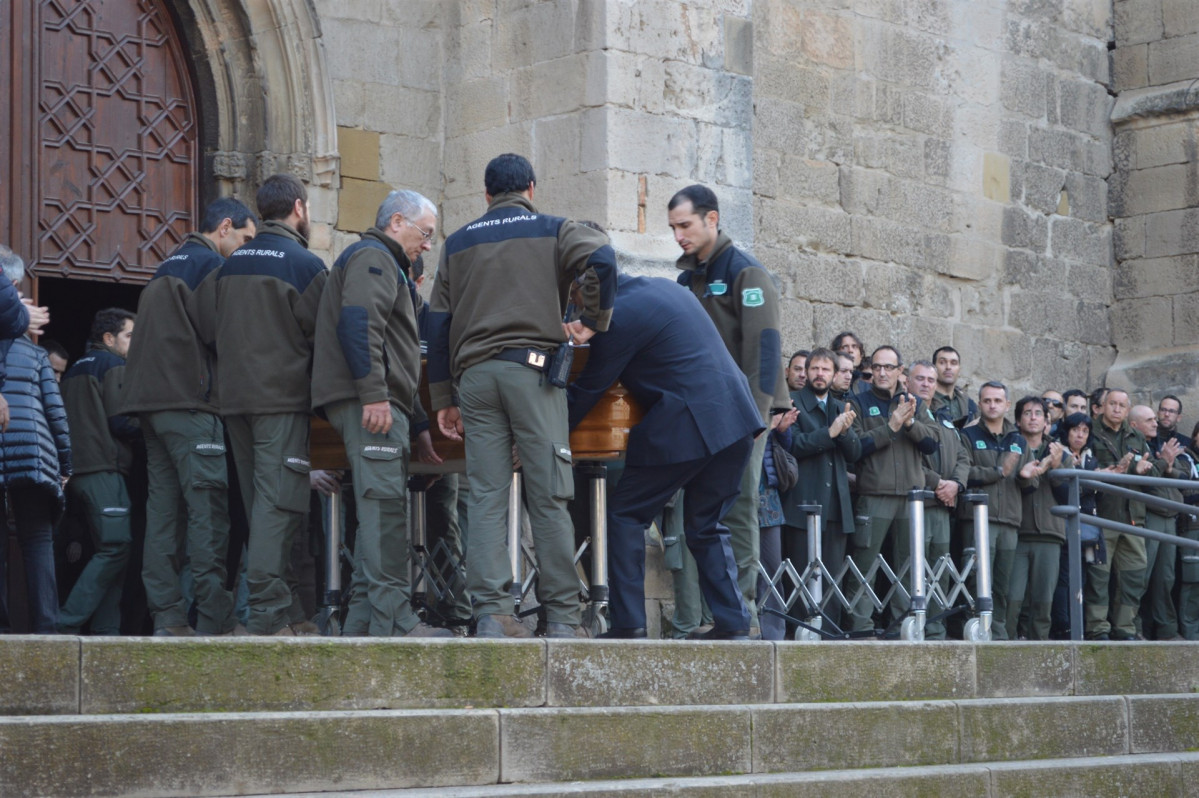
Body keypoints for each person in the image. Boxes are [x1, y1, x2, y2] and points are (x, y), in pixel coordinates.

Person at [427, 153, 617, 639]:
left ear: (486, 195)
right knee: (548, 493)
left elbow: (440, 323)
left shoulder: (457, 242)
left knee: (487, 494)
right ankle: (562, 617)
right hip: (531, 374)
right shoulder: (554, 229)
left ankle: (492, 613)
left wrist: (443, 395)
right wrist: (594, 320)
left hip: (474, 379)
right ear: (531, 188)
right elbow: (602, 258)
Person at [567, 272, 763, 639]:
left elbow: (589, 388)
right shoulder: (663, 286)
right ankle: (735, 621)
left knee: (625, 515)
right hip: (736, 417)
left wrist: (544, 435)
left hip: (689, 422)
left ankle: (628, 623)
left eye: (574, 293)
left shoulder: (617, 318)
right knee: (706, 525)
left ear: (586, 286)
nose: (574, 304)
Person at [310, 189, 450, 639]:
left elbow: (397, 352)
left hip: (384, 402)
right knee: (385, 510)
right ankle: (397, 622)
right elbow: (359, 324)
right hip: (369, 402)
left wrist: (421, 425)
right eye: (425, 233)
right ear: (396, 222)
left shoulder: (386, 262)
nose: (428, 245)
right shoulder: (374, 257)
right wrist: (374, 395)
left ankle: (363, 624)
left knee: (378, 507)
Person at [121, 197, 257, 637]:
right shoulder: (209, 267)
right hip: (191, 404)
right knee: (208, 511)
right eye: (245, 239)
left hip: (150, 407)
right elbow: (224, 336)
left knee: (163, 514)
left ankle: (168, 618)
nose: (245, 248)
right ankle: (217, 618)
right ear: (223, 228)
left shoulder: (167, 266)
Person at [668, 184, 790, 633]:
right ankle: (706, 614)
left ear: (712, 219)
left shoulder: (745, 273)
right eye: (673, 228)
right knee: (697, 513)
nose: (678, 235)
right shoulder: (687, 280)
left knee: (737, 508)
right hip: (697, 415)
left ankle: (745, 616)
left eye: (685, 225)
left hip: (742, 415)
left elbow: (764, 351)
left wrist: (757, 417)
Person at [214, 174, 328, 636]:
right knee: (277, 507)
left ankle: (287, 610)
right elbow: (324, 337)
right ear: (298, 208)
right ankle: (265, 615)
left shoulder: (229, 264)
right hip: (280, 400)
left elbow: (209, 327)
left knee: (259, 503)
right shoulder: (305, 264)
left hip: (234, 400)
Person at [0, 252, 70, 634]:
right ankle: (47, 626)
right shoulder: (34, 353)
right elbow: (55, 412)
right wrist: (65, 465)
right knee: (38, 537)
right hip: (33, 453)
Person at [845, 345, 937, 633]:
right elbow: (855, 448)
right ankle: (861, 625)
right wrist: (891, 426)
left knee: (908, 566)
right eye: (877, 367)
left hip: (910, 498)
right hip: (874, 495)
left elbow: (932, 444)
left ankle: (902, 627)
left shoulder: (916, 404)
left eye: (889, 367)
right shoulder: (858, 402)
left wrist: (909, 423)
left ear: (901, 372)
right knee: (864, 564)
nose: (882, 372)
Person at [58, 308, 138, 634]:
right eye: (130, 336)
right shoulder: (114, 365)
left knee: (111, 554)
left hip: (75, 472)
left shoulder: (75, 367)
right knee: (115, 547)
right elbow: (123, 421)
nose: (137, 343)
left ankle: (107, 635)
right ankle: (63, 625)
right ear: (109, 338)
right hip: (103, 469)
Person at [781, 347, 861, 633]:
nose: (819, 374)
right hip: (802, 504)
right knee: (801, 574)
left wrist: (845, 429)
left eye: (826, 370)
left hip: (836, 506)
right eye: (814, 368)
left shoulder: (842, 407)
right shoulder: (793, 403)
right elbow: (793, 446)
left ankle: (829, 634)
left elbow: (854, 453)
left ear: (835, 374)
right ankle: (800, 633)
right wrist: (829, 433)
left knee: (831, 576)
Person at [959, 381, 1029, 640]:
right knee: (975, 579)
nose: (992, 405)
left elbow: (1028, 479)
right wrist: (998, 472)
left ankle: (997, 634)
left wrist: (1029, 475)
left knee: (1002, 583)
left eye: (998, 401)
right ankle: (973, 629)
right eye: (987, 400)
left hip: (1009, 520)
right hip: (977, 519)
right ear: (979, 404)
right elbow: (963, 472)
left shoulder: (1018, 440)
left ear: (1007, 405)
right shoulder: (968, 435)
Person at [1085, 389, 1153, 640]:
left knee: (1134, 577)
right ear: (1101, 406)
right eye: (1111, 403)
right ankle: (1097, 628)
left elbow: (1154, 474)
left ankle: (1125, 628)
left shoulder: (1137, 436)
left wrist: (1143, 469)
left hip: (1133, 517)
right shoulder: (1090, 433)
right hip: (1102, 517)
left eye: (1121, 405)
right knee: (1098, 578)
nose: (1116, 409)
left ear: (1128, 410)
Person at [907, 360, 969, 639]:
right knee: (911, 568)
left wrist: (955, 484)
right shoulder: (906, 412)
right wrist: (937, 483)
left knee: (940, 570)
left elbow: (963, 457)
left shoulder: (944, 418)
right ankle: (912, 626)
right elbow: (906, 461)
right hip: (917, 503)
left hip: (943, 507)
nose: (925, 384)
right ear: (907, 381)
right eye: (919, 379)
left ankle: (936, 629)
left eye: (930, 380)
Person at [1008, 396, 1068, 639]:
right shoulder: (1009, 447)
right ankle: (1006, 644)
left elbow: (1068, 494)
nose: (1033, 418)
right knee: (1012, 597)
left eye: (1038, 414)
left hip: (1049, 534)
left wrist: (1056, 467)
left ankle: (1039, 645)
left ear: (1047, 422)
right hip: (1017, 531)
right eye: (1027, 413)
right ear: (1018, 420)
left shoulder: (1059, 452)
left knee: (1043, 600)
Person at [1129, 403, 1187, 640]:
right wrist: (1164, 462)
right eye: (1150, 419)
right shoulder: (1132, 444)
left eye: (1156, 418)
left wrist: (1169, 464)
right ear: (1134, 425)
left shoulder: (1158, 444)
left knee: (1166, 578)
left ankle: (1167, 630)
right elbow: (1146, 479)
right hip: (1149, 514)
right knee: (1141, 576)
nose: (1156, 422)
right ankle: (1132, 628)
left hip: (1169, 516)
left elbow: (1183, 475)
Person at [930, 346, 978, 428]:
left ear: (959, 369)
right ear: (934, 368)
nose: (948, 367)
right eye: (942, 362)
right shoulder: (927, 400)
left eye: (953, 363)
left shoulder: (968, 403)